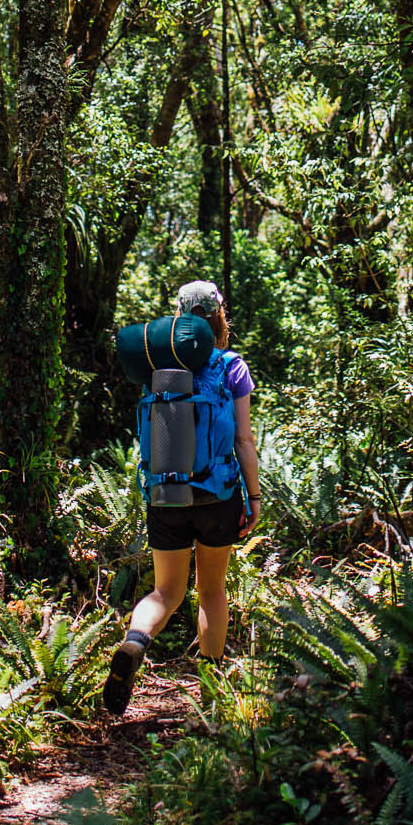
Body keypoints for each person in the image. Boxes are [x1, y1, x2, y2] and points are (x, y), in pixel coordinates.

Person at [102, 279, 260, 715]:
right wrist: (255, 498)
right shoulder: (231, 366)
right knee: (211, 590)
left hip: (166, 494)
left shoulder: (158, 367)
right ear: (218, 316)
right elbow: (244, 440)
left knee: (166, 591)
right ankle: (208, 695)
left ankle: (135, 643)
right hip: (217, 496)